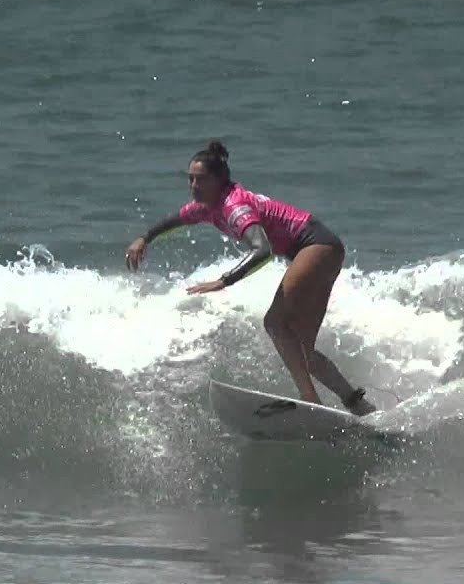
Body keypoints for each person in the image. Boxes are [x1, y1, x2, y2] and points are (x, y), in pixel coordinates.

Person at [124, 139, 377, 416]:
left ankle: (310, 400)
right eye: (190, 180)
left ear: (219, 180)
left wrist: (225, 280)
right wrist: (144, 238)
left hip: (314, 246)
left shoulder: (234, 206)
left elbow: (263, 250)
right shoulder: (206, 206)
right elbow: (175, 220)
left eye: (201, 180)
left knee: (275, 323)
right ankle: (357, 403)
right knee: (302, 348)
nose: (194, 186)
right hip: (322, 249)